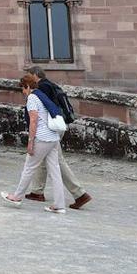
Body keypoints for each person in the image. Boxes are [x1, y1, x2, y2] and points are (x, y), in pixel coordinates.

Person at [19, 66, 92, 209]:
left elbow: (40, 113)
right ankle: (37, 191)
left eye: (29, 76)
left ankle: (79, 193)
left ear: (34, 75)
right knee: (44, 161)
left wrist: (32, 138)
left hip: (49, 130)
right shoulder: (51, 85)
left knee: (57, 162)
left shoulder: (42, 88)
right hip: (53, 128)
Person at [0, 73, 66, 213]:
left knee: (29, 167)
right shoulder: (42, 95)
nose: (23, 92)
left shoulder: (32, 98)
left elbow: (34, 121)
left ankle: (17, 196)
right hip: (53, 138)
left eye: (23, 89)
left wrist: (30, 142)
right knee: (55, 172)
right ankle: (59, 204)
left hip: (42, 138)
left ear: (28, 86)